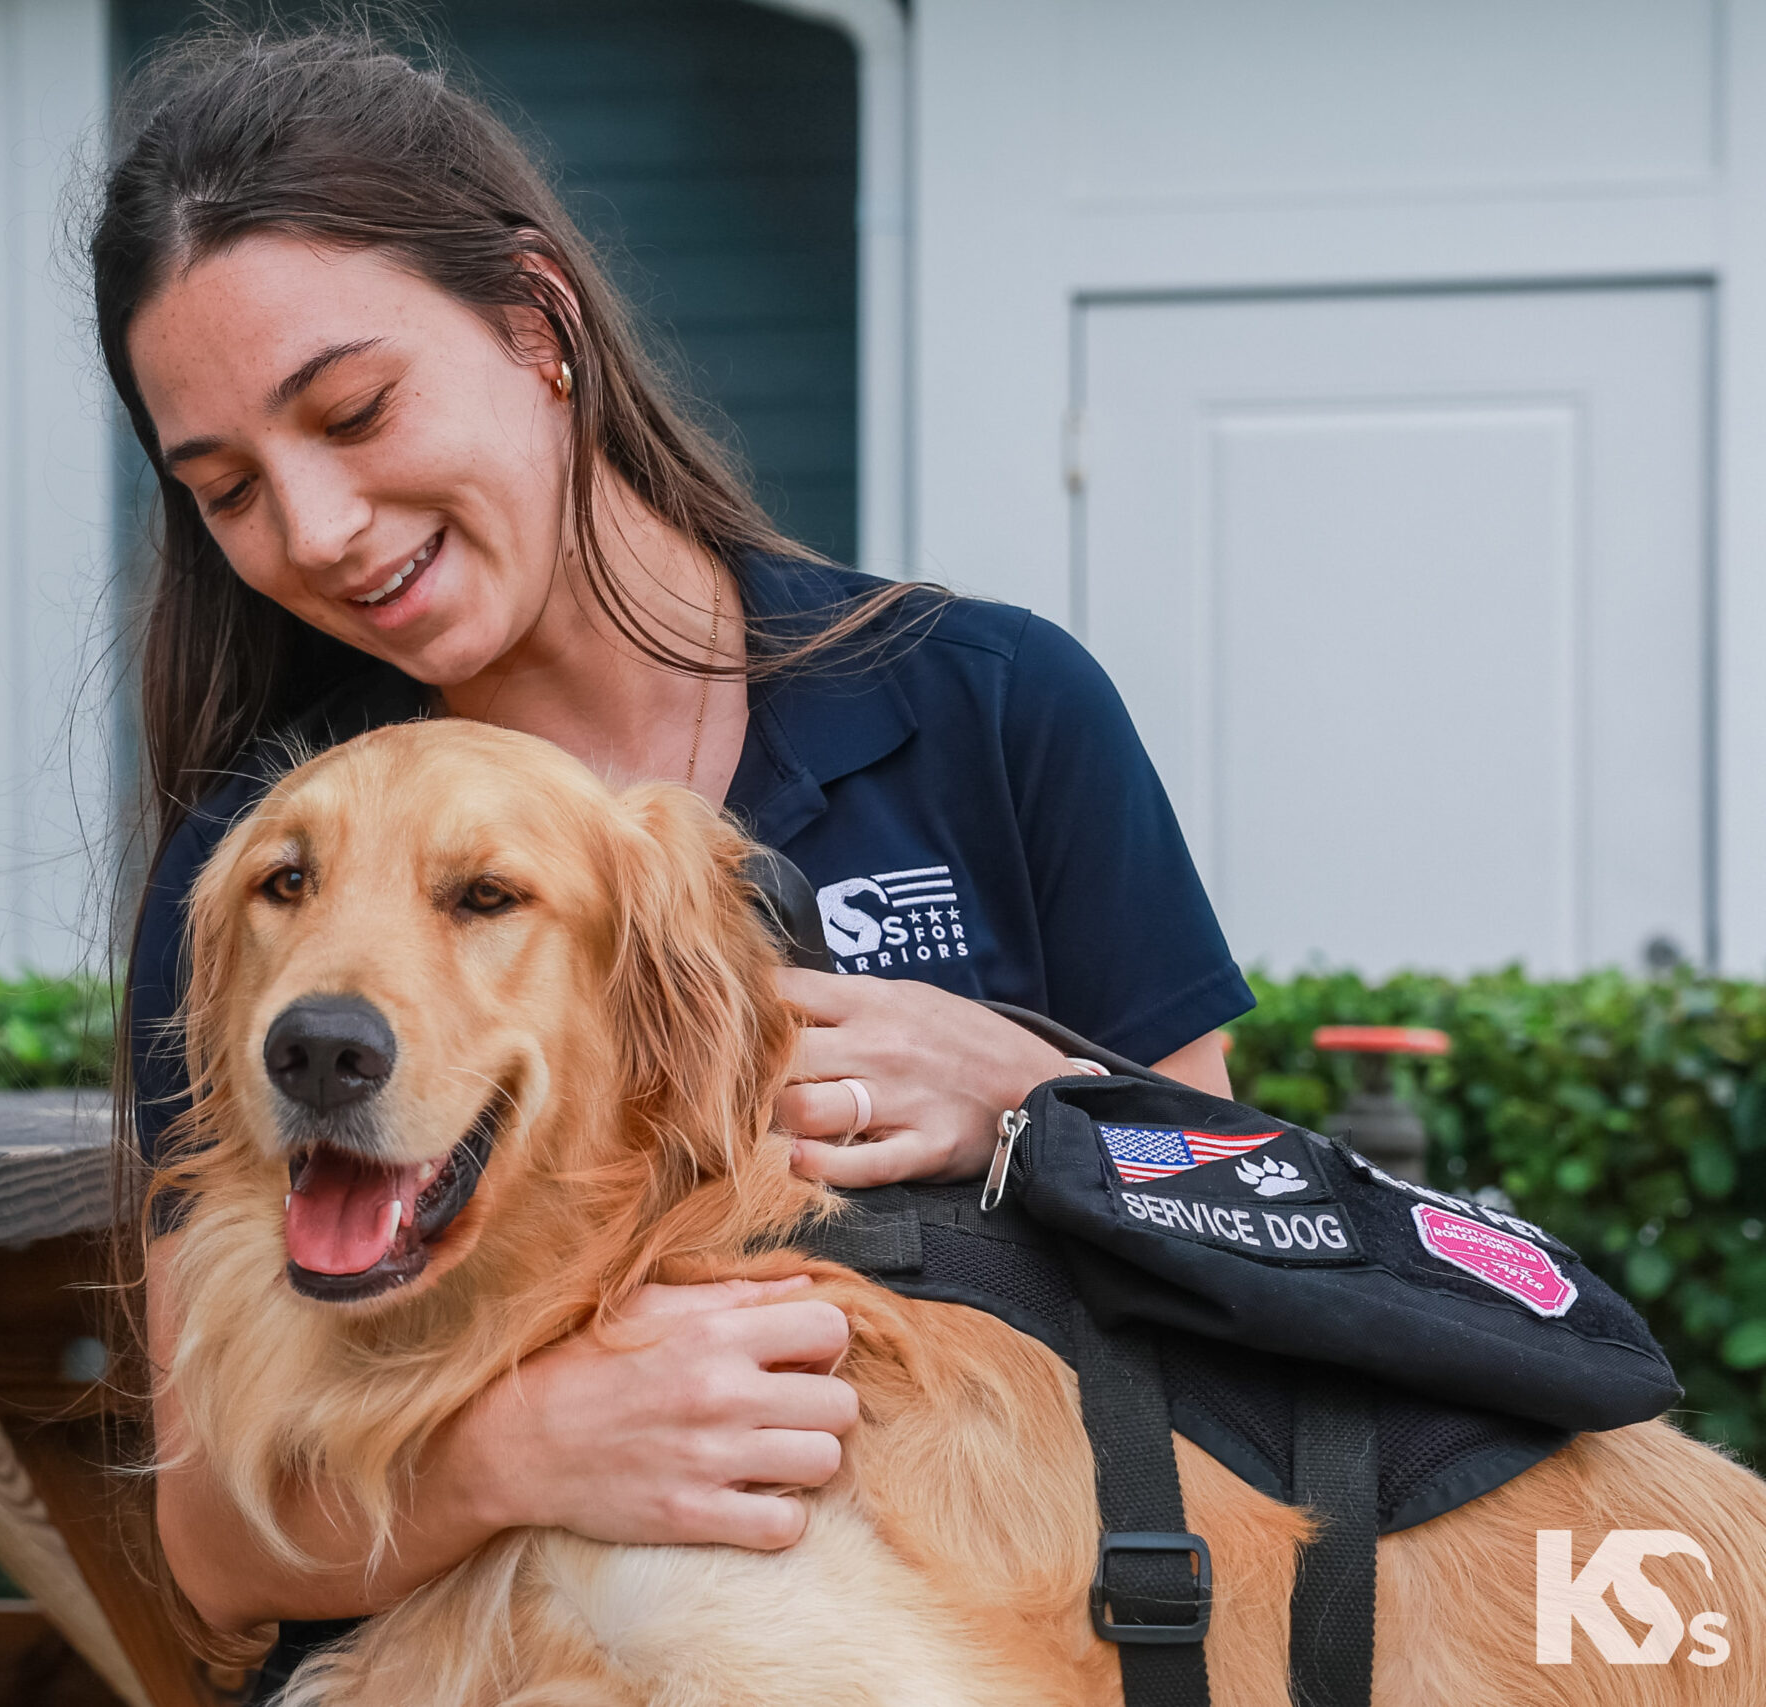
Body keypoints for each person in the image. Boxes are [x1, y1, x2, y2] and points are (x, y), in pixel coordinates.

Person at [95, 24, 1251, 1687]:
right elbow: (213, 1544)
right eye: (228, 489)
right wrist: (514, 1455)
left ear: (536, 322)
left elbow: (1264, 1269)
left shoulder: (993, 706)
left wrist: (1033, 1101)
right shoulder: (266, 871)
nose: (317, 527)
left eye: (352, 411)